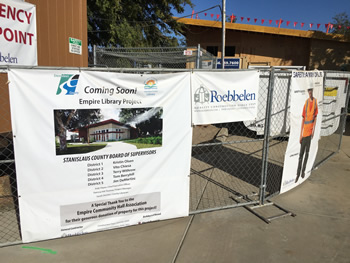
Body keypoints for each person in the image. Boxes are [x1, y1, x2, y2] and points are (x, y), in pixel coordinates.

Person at [295, 88, 318, 183]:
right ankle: (297, 173)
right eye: (309, 91)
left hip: (310, 133)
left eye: (311, 91)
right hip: (305, 133)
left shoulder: (315, 102)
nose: (310, 93)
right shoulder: (306, 103)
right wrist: (300, 134)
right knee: (301, 155)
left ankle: (303, 172)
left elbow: (315, 117)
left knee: (307, 153)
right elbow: (303, 119)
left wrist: (313, 130)